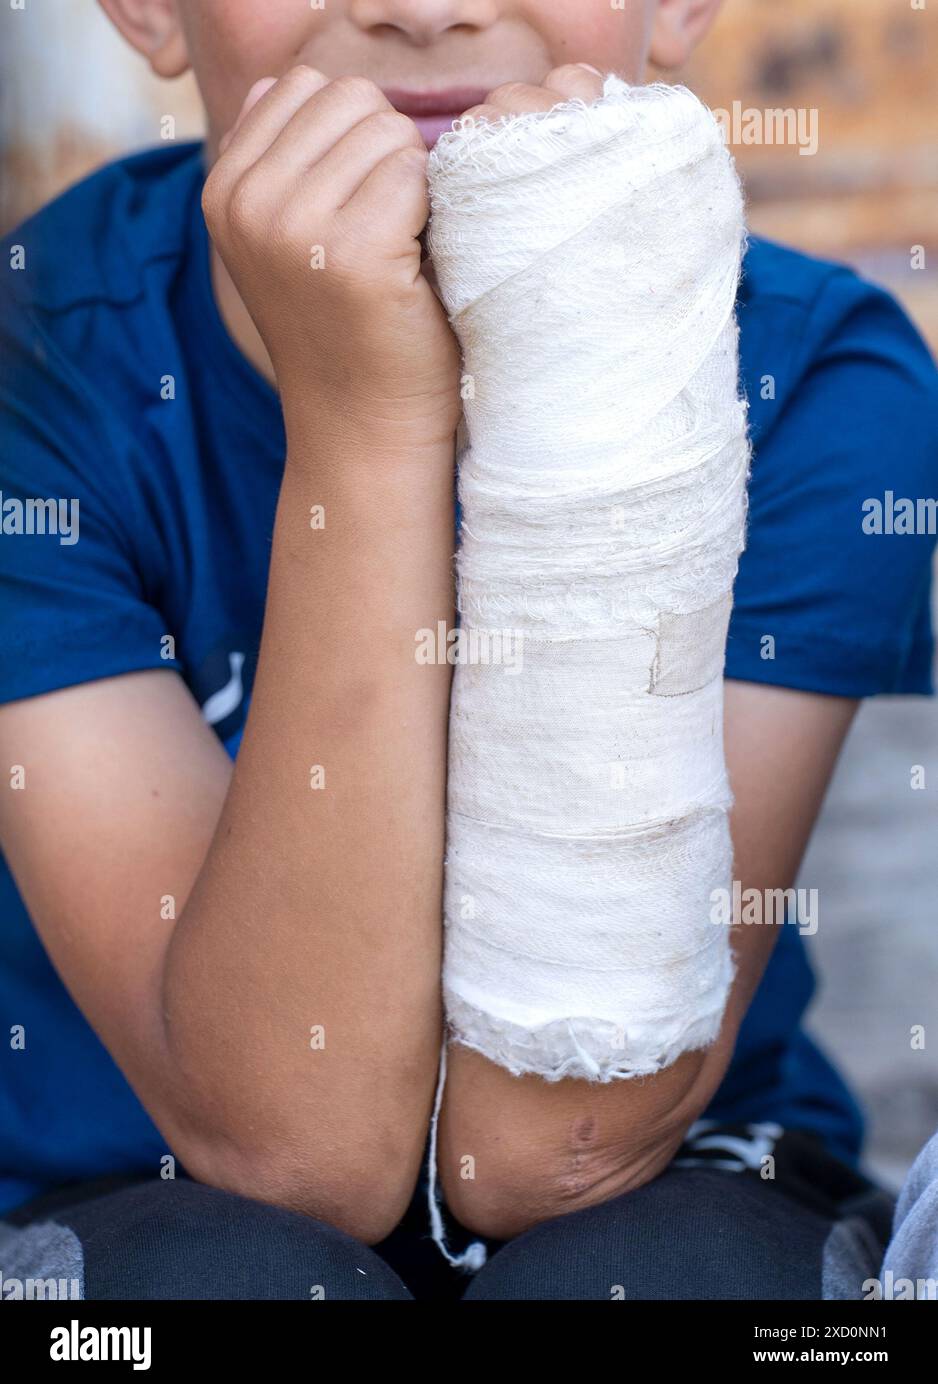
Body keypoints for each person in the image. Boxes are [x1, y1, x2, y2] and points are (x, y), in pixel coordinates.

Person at [0, 0, 936, 1301]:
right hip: (125, 1190)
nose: (426, 9)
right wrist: (367, 428)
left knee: (659, 1282)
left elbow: (548, 1150)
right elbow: (297, 1152)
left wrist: (579, 372)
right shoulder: (36, 367)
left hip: (677, 1177)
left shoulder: (811, 376)